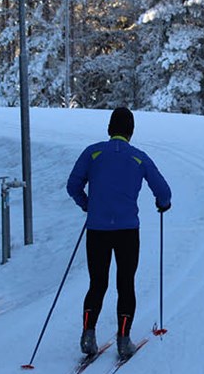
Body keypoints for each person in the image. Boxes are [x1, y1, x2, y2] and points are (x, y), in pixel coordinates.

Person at [66, 107, 171, 360]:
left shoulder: (93, 152)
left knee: (97, 283)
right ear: (131, 132)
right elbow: (164, 192)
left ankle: (88, 335)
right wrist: (162, 204)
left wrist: (87, 204)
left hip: (97, 229)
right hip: (126, 231)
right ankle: (124, 340)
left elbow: (72, 185)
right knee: (126, 283)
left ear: (109, 129)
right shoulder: (138, 157)